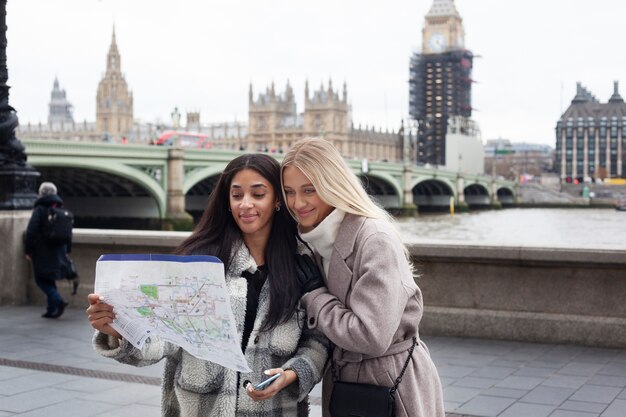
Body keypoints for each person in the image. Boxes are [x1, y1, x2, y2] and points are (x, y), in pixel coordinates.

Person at [86, 154, 328, 417]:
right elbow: (165, 339)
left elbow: (318, 340)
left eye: (258, 194)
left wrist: (293, 373)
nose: (245, 204)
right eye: (236, 196)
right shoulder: (199, 264)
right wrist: (119, 331)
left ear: (278, 201)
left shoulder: (302, 264)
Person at [281, 137, 446, 417]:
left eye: (309, 190)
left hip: (389, 385)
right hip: (347, 384)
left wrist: (315, 296)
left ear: (332, 183)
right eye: (289, 191)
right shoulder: (313, 240)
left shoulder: (374, 239)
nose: (297, 202)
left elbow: (371, 336)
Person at [24, 182, 71, 319]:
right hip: (59, 250)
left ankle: (59, 301)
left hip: (43, 251)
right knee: (49, 279)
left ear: (41, 193)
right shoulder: (60, 207)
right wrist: (68, 249)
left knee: (40, 280)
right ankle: (51, 309)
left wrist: (28, 250)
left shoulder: (40, 209)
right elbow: (68, 232)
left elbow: (31, 230)